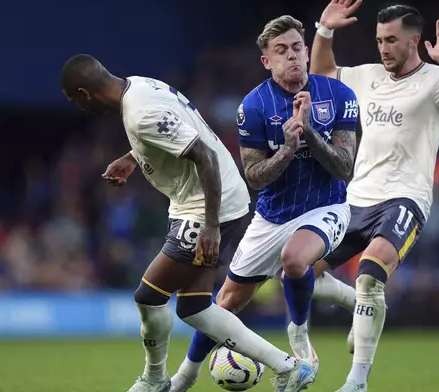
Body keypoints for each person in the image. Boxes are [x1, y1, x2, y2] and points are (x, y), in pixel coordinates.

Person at [60, 54, 317, 392]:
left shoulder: (140, 114)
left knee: (148, 296)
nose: (79, 107)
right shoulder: (140, 85)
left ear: (84, 93)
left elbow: (204, 155)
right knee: (194, 307)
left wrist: (210, 225)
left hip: (208, 208)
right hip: (208, 202)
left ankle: (155, 380)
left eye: (75, 101)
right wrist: (134, 157)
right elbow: (180, 128)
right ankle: (290, 367)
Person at [309, 2, 439, 391]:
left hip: (404, 200)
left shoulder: (437, 81)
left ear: (414, 41)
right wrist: (324, 31)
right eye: (379, 40)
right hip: (356, 198)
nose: (383, 48)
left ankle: (356, 381)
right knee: (300, 271)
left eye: (391, 40)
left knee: (371, 272)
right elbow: (322, 73)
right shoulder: (367, 76)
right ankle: (360, 308)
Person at [169, 14, 359, 392]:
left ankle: (299, 335)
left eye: (297, 48)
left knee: (295, 258)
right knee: (224, 302)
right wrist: (288, 147)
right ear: (267, 61)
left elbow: (345, 167)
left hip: (327, 207)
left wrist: (311, 135)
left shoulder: (339, 95)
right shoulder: (254, 107)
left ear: (307, 51)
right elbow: (254, 176)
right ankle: (184, 376)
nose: (292, 56)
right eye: (281, 50)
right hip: (272, 216)